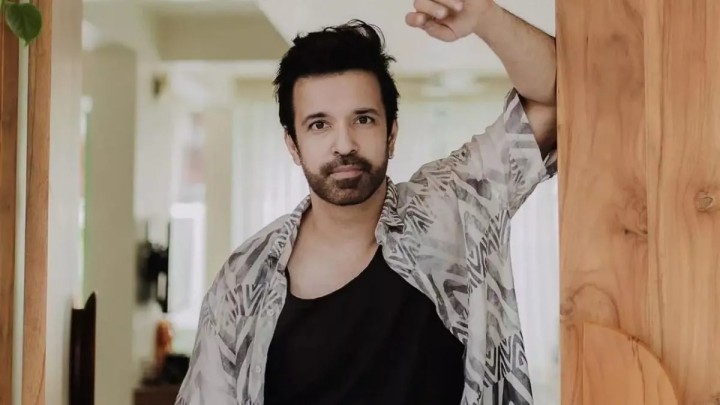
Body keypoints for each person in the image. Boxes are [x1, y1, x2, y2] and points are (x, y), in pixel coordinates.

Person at [175, 0, 557, 403]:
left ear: (391, 134)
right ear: (293, 145)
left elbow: (555, 97)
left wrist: (484, 16)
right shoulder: (243, 280)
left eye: (363, 119)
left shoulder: (450, 206)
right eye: (319, 124)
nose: (344, 144)